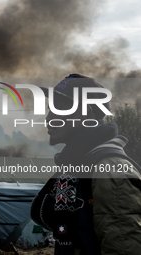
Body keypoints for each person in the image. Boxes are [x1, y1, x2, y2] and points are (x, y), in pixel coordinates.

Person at [30, 74, 141, 255]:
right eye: (50, 109)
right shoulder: (76, 164)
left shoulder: (110, 167)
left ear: (87, 112)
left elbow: (124, 249)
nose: (49, 118)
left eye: (59, 108)